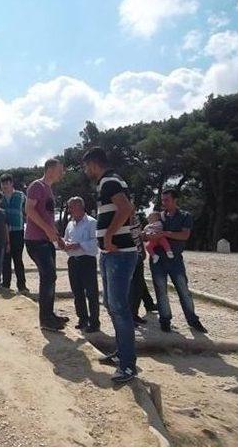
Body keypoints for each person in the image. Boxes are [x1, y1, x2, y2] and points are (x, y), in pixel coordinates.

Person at [83, 147, 138, 383]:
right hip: (111, 254)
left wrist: (108, 236)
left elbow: (126, 209)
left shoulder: (109, 182)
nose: (86, 171)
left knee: (119, 307)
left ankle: (128, 365)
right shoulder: (110, 181)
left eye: (86, 167)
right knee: (111, 304)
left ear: (94, 163)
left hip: (119, 253)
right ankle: (122, 353)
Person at [146, 189, 207, 333]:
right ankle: (165, 320)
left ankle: (193, 320)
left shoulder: (185, 216)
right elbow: (147, 233)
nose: (164, 203)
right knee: (161, 291)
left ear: (175, 200)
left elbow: (185, 235)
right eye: (162, 200)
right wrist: (147, 235)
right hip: (158, 260)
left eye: (167, 200)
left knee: (184, 290)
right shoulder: (158, 217)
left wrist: (165, 233)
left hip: (175, 260)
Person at [25, 159, 68, 331]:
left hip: (46, 240)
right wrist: (48, 231)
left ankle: (49, 315)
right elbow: (29, 210)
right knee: (48, 276)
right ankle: (45, 319)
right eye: (60, 170)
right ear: (50, 169)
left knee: (50, 277)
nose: (62, 173)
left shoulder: (49, 189)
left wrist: (57, 236)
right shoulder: (37, 186)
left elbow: (49, 218)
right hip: (36, 240)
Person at [62, 196, 100, 333]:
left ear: (80, 206)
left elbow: (95, 244)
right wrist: (65, 245)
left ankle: (95, 322)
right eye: (69, 207)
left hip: (87, 260)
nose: (69, 209)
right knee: (77, 292)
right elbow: (66, 239)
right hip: (73, 261)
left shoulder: (92, 222)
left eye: (71, 206)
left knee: (91, 293)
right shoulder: (70, 224)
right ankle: (82, 319)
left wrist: (78, 245)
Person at [0, 174, 28, 294]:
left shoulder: (21, 195)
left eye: (7, 183)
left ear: (12, 183)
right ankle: (6, 284)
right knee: (6, 259)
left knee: (18, 259)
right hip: (4, 232)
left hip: (18, 231)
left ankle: (22, 286)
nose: (5, 185)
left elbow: (27, 210)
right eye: (3, 183)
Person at [129, 214, 157, 326]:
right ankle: (131, 315)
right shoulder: (120, 216)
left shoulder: (135, 217)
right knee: (134, 286)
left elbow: (139, 235)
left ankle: (148, 304)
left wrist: (143, 250)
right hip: (126, 255)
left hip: (137, 254)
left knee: (138, 282)